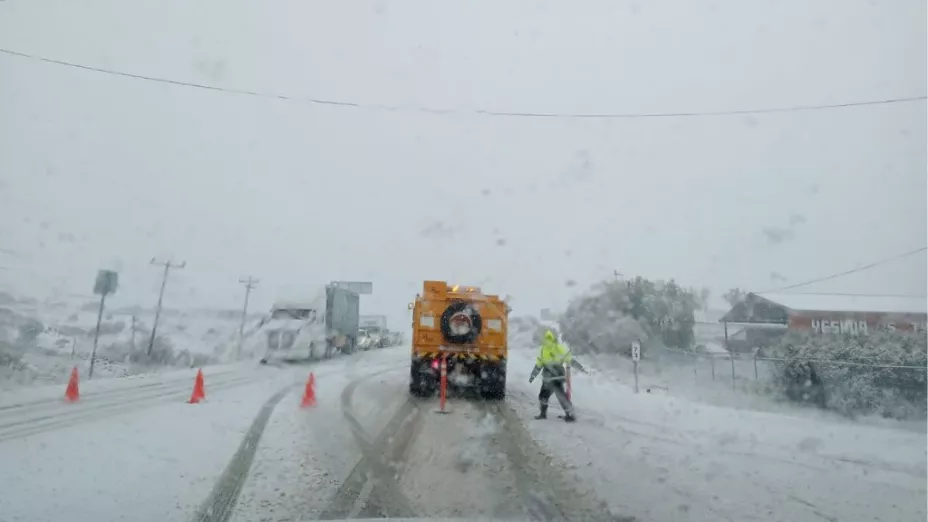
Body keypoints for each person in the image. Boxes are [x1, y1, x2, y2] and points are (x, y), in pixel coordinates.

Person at [529, 329, 580, 422]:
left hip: (549, 378)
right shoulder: (558, 347)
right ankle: (570, 414)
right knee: (561, 396)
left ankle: (543, 414)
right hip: (557, 377)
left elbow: (539, 365)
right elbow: (569, 358)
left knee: (543, 396)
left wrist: (533, 375)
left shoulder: (543, 349)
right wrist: (579, 367)